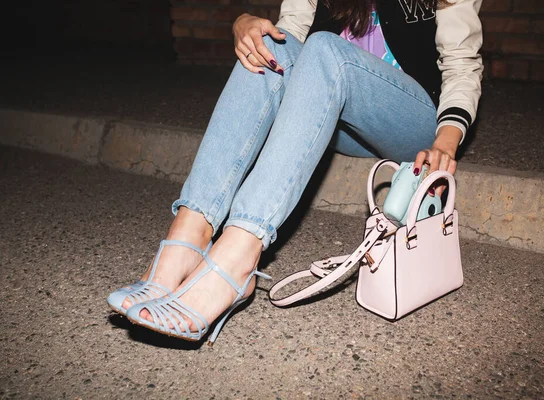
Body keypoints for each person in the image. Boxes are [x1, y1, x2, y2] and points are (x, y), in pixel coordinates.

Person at [107, 0, 483, 343]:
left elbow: (462, 65)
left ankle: (238, 256)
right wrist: (244, 25)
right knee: (269, 47)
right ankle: (191, 232)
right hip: (342, 121)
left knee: (326, 48)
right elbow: (289, 39)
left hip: (414, 124)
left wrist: (446, 142)